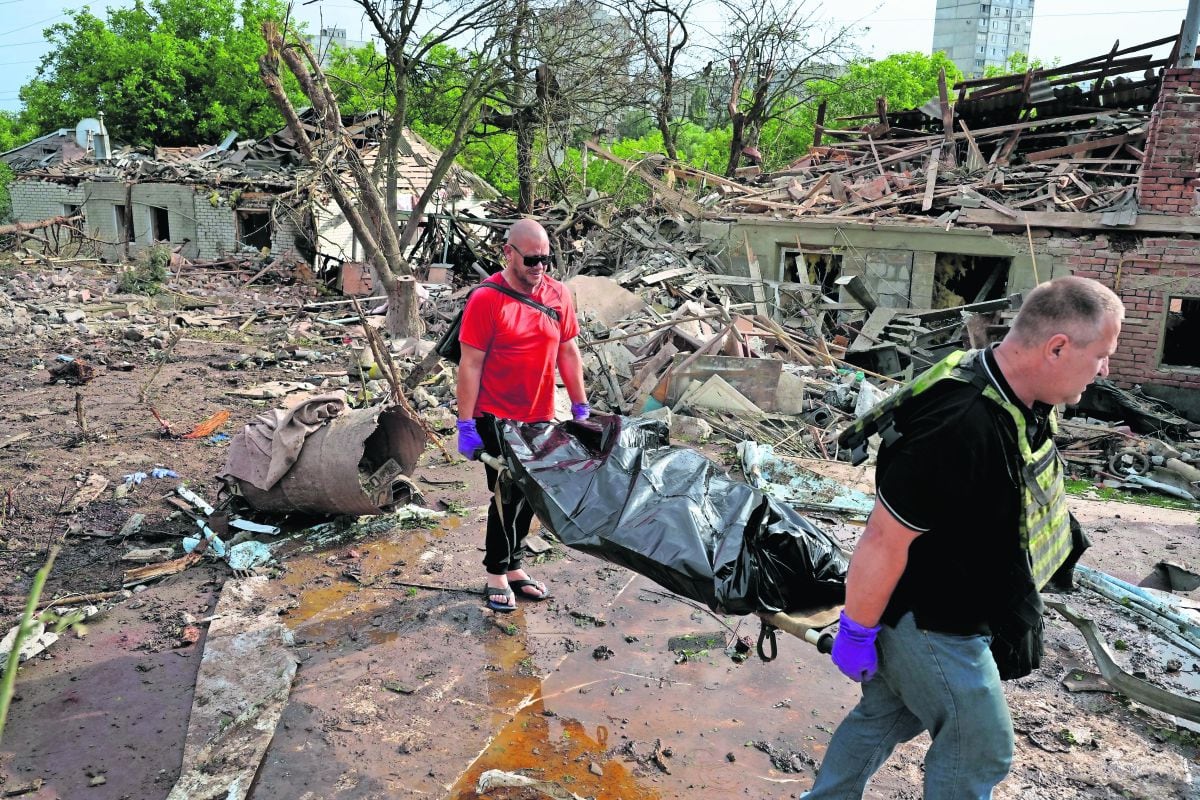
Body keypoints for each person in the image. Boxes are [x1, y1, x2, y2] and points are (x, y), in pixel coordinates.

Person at [808, 275, 1124, 799]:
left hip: (954, 604)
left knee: (885, 718)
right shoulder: (957, 424)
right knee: (981, 746)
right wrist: (857, 629)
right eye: (1102, 355)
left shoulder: (1013, 395)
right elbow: (882, 541)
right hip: (933, 623)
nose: (1105, 370)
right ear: (1057, 347)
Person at [454, 218, 590, 613]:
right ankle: (495, 572)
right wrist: (465, 424)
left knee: (531, 492)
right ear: (508, 253)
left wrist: (581, 405)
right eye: (531, 259)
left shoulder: (559, 295)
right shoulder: (486, 299)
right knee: (505, 493)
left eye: (545, 259)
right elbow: (470, 365)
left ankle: (515, 566)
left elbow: (568, 352)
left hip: (540, 413)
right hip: (495, 414)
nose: (539, 267)